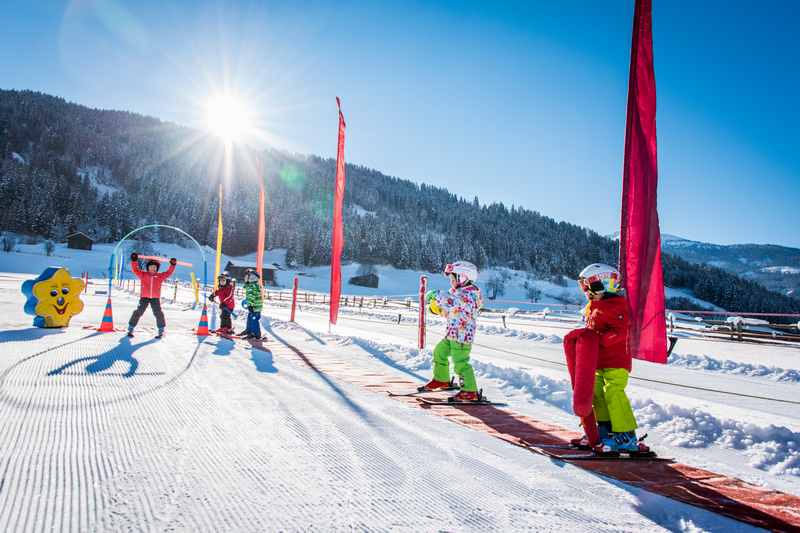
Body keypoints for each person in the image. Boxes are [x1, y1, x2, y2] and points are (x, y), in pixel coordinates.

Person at [564, 263, 647, 454]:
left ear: (604, 285)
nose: (586, 291)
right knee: (596, 393)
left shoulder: (617, 306)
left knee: (613, 392)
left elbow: (619, 332)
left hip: (616, 361)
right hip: (597, 360)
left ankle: (626, 435)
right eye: (583, 287)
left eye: (589, 286)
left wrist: (596, 340)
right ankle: (604, 433)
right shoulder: (593, 306)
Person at [421, 261, 483, 402]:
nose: (451, 282)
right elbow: (450, 308)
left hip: (462, 336)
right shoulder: (457, 292)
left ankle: (470, 390)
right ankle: (442, 379)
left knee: (460, 362)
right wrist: (437, 309)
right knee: (439, 352)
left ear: (463, 278)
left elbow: (453, 302)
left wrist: (436, 295)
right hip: (452, 334)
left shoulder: (471, 294)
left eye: (453, 279)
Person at [127, 252, 177, 338]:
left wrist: (172, 265)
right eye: (151, 267)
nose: (153, 268)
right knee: (138, 312)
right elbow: (135, 270)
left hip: (155, 298)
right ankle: (131, 328)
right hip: (144, 298)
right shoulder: (143, 275)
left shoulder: (160, 276)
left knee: (158, 313)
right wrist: (134, 260)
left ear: (157, 269)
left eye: (155, 267)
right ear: (148, 268)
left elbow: (168, 273)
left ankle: (161, 330)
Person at [236, 269, 263, 339]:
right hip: (254, 306)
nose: (244, 279)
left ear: (250, 278)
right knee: (250, 319)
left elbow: (251, 296)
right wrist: (248, 302)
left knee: (254, 320)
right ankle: (249, 331)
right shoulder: (252, 285)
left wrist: (250, 305)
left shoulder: (252, 286)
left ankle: (256, 334)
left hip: (255, 307)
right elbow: (251, 296)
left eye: (245, 277)